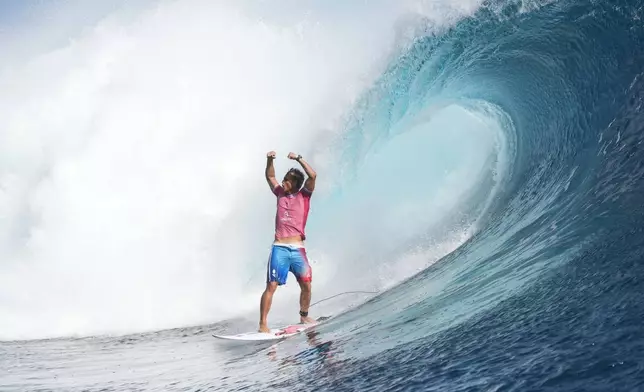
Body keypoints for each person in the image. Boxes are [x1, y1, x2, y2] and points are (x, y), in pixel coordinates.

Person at [259, 150, 317, 333]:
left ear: (294, 184)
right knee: (271, 285)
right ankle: (263, 324)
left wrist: (299, 158)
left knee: (306, 285)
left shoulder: (304, 196)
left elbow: (313, 175)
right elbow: (270, 175)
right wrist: (269, 160)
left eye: (287, 180)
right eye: (283, 179)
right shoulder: (279, 193)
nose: (283, 182)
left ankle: (304, 314)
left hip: (298, 249)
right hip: (280, 248)